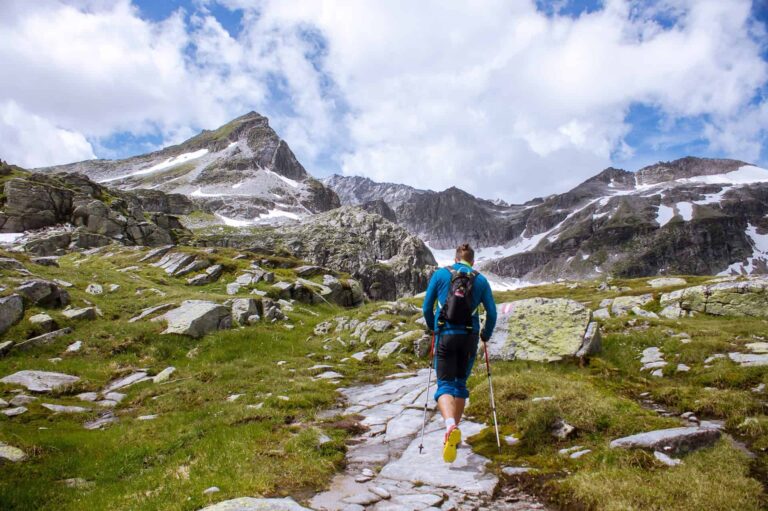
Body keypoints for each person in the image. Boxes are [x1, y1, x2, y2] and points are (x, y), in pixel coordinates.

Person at [422, 243, 497, 463]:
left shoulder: (440, 275)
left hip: (445, 334)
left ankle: (450, 426)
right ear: (472, 261)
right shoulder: (481, 280)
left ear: (455, 258)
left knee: (444, 384)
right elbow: (491, 313)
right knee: (459, 385)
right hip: (469, 336)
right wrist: (486, 334)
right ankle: (453, 436)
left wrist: (432, 326)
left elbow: (427, 307)